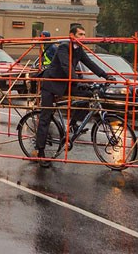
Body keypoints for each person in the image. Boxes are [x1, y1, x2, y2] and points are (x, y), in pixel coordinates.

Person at [35, 25, 115, 168]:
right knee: (45, 116)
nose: (83, 37)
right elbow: (66, 66)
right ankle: (40, 151)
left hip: (66, 83)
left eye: (84, 34)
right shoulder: (64, 47)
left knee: (89, 95)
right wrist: (77, 82)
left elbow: (90, 63)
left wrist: (106, 76)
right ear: (72, 36)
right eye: (80, 34)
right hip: (52, 83)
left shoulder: (79, 50)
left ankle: (73, 124)